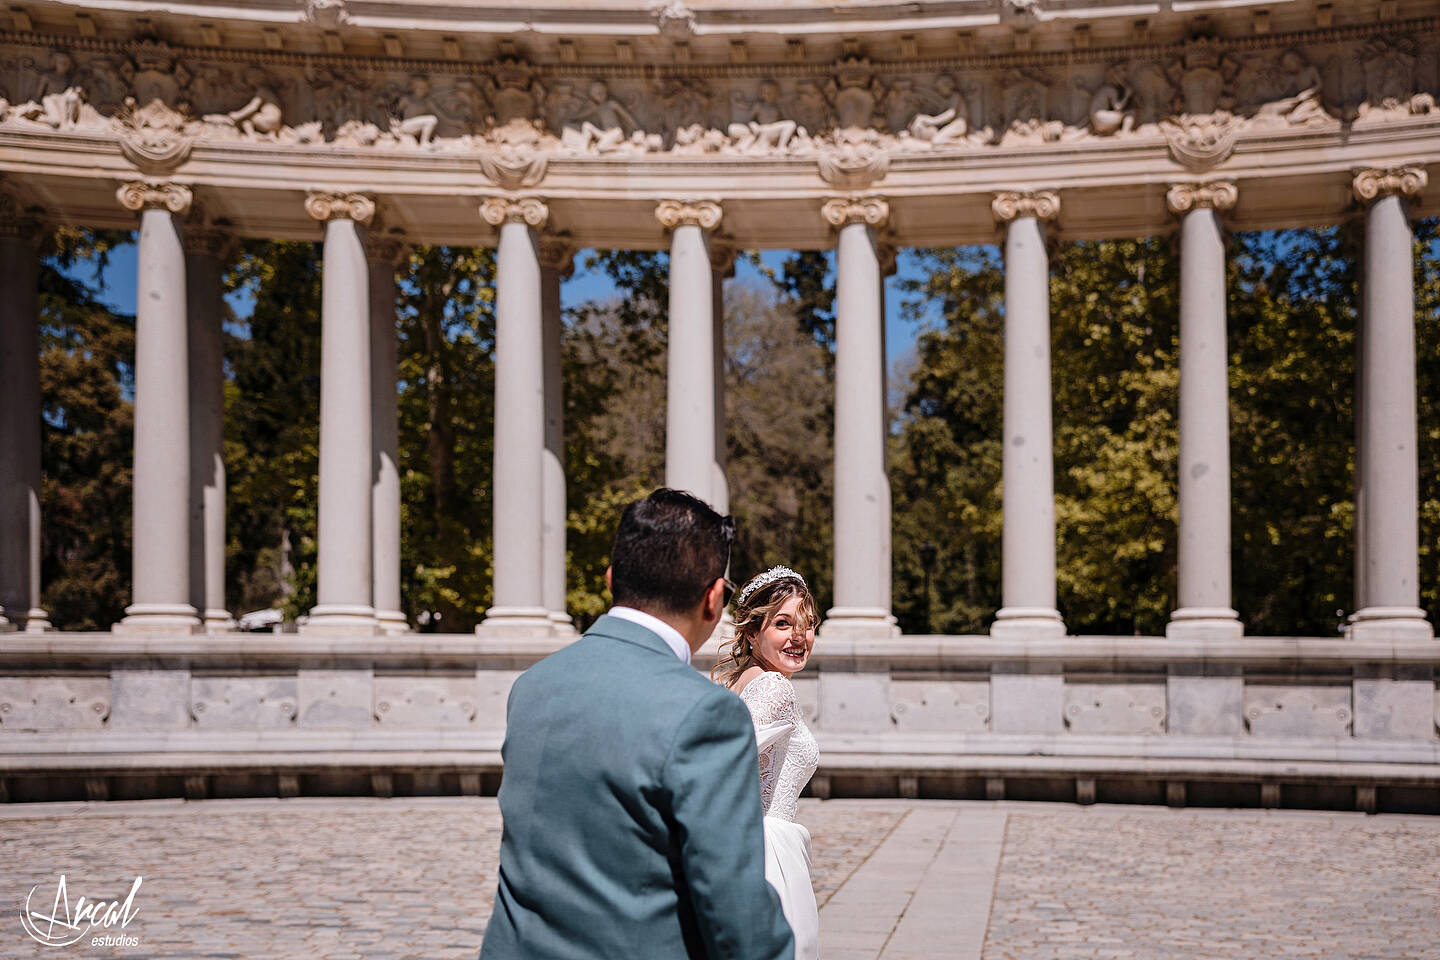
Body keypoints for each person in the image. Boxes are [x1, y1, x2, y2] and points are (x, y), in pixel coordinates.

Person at [479, 489, 794, 960]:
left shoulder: (532, 686)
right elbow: (738, 915)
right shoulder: (707, 713)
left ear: (611, 580)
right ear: (713, 599)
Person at [713, 565, 821, 960]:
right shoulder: (774, 688)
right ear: (753, 632)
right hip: (769, 851)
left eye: (807, 625)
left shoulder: (738, 680)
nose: (799, 636)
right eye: (783, 623)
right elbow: (718, 765)